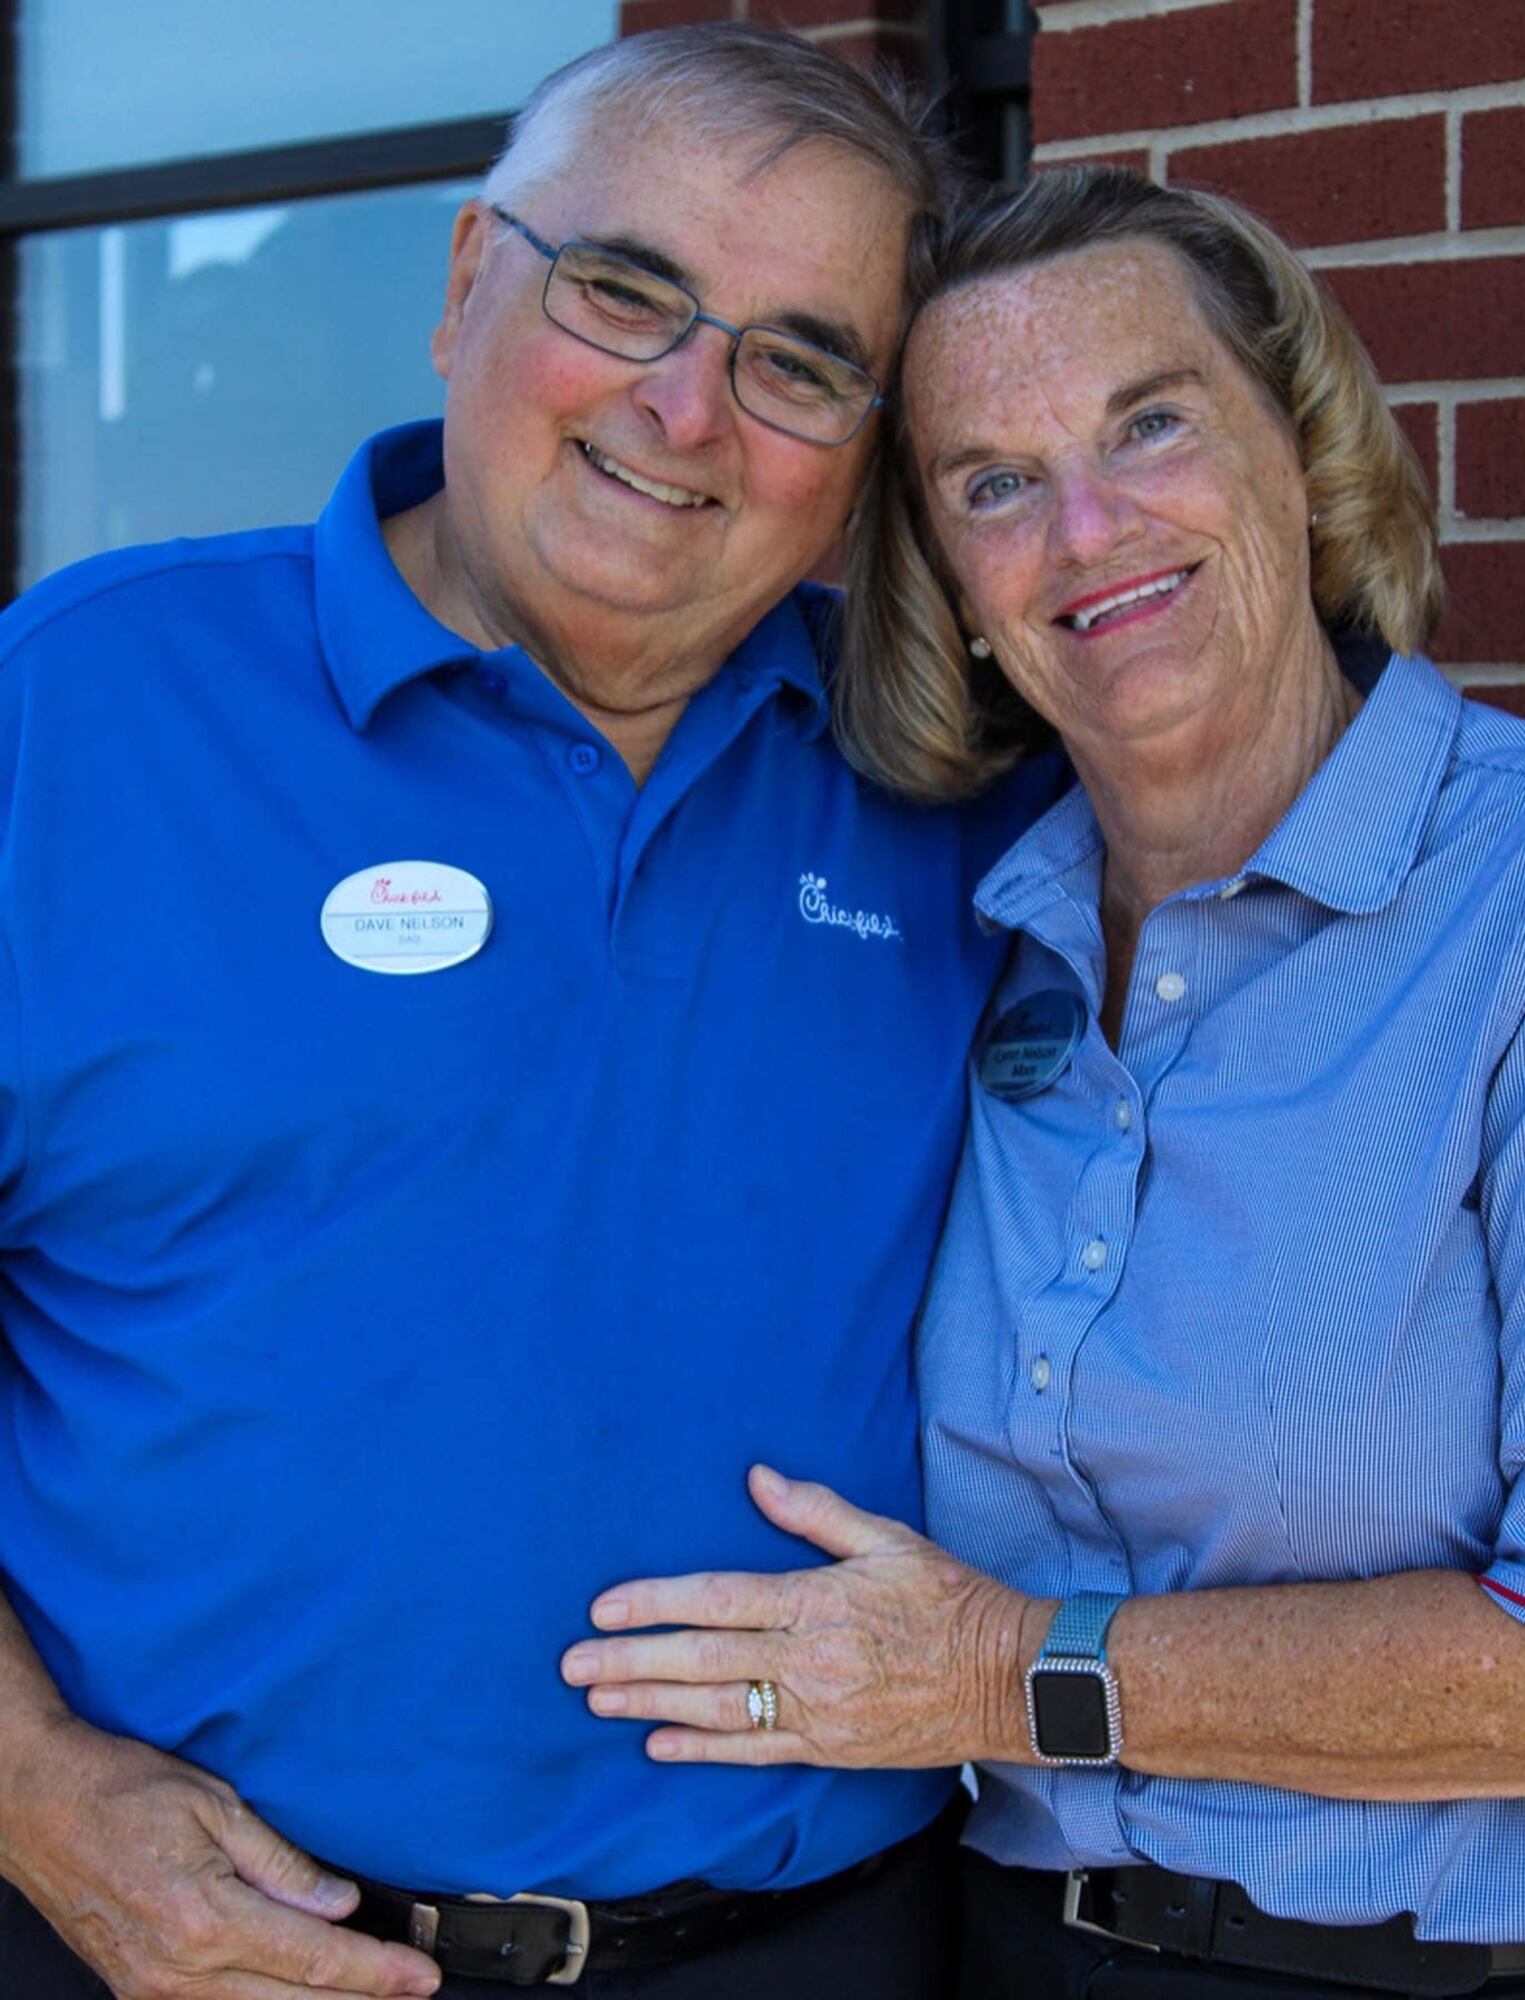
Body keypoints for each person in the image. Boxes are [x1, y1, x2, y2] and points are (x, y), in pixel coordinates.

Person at [0, 28, 1059, 2000]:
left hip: (817, 1949)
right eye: (625, 291)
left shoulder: (962, 774)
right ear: (467, 280)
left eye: (799, 361)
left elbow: (1296, 772)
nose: (685, 409)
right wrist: (27, 1780)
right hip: (180, 1951)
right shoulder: (72, 717)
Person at [560, 167, 1525, 1998]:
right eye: (993, 485)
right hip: (992, 1947)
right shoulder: (961, 918)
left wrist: (998, 1674)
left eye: (1151, 425)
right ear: (949, 586)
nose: (1092, 527)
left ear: (1302, 447)